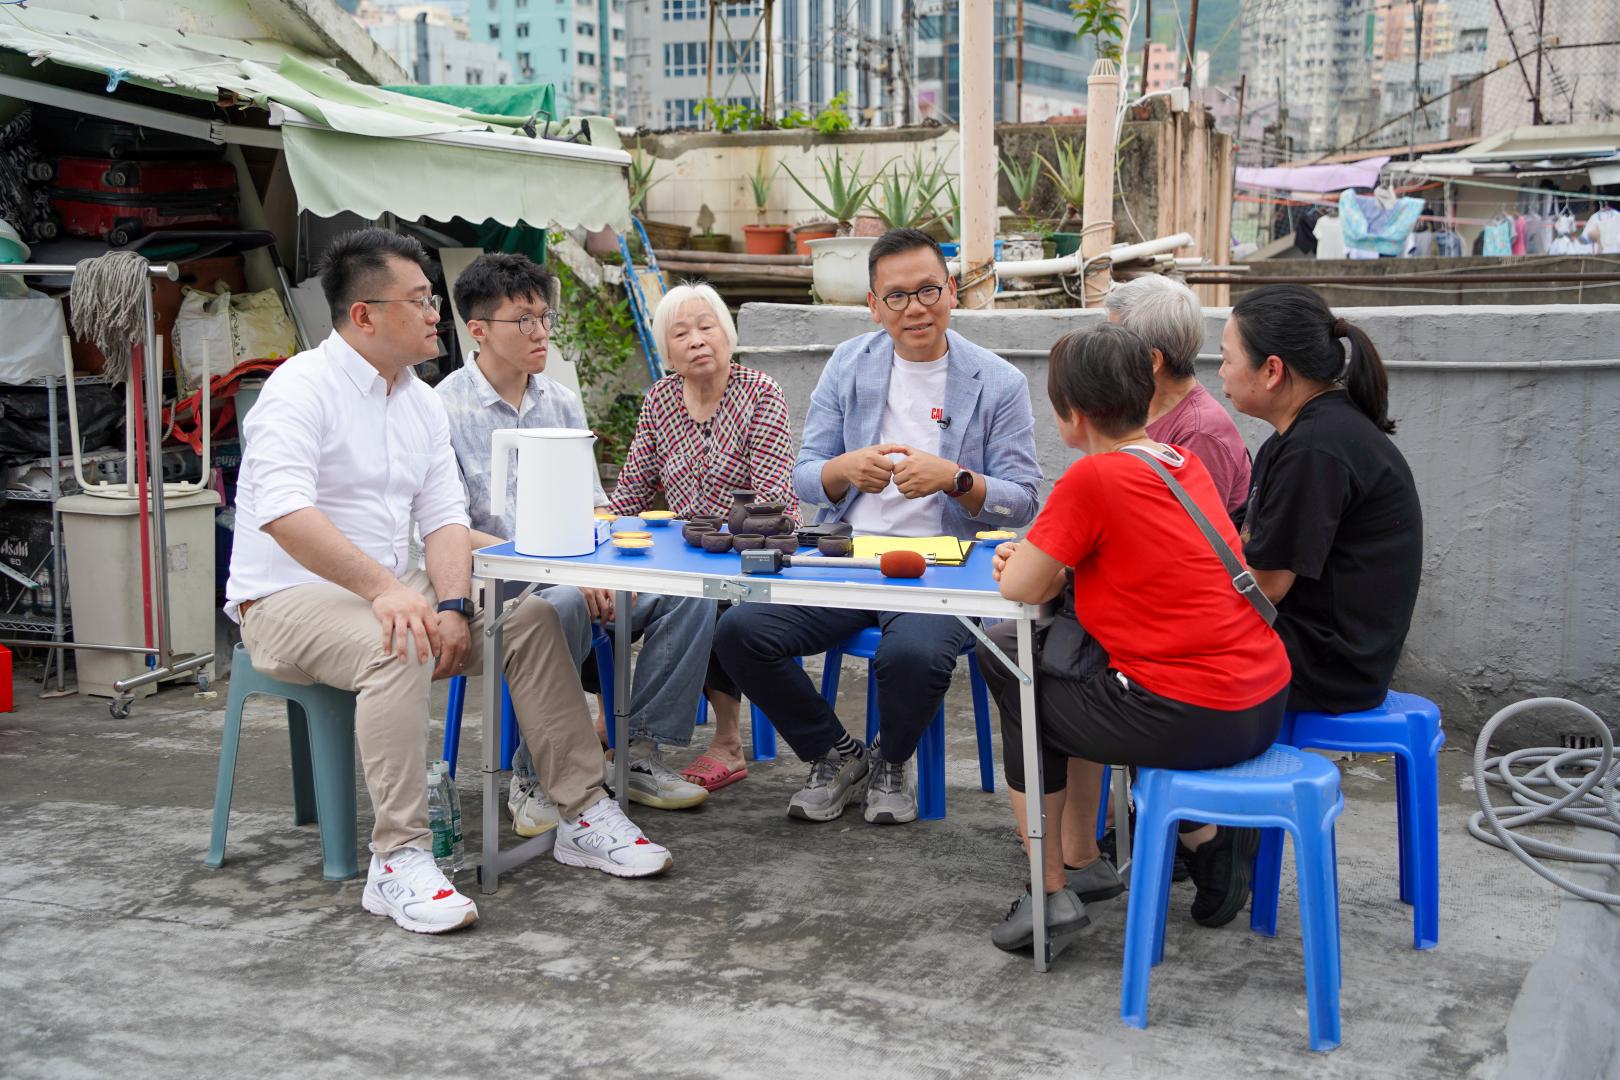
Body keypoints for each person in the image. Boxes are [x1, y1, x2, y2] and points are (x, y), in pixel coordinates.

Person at [226, 230, 672, 936]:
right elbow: (283, 512)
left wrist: (458, 606)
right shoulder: (300, 388)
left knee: (528, 619)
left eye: (433, 298)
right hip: (284, 599)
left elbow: (443, 521)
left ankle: (581, 812)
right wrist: (386, 590)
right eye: (418, 300)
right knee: (397, 636)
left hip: (392, 585)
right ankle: (397, 857)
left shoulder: (418, 401)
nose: (434, 313)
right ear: (364, 315)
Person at [976, 323, 1291, 957]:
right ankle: (1174, 844)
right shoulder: (1182, 462)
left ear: (1072, 415)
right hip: (1261, 702)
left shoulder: (1091, 480)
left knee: (1012, 665)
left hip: (1187, 715)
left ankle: (1050, 888)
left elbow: (1025, 587)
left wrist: (1023, 562)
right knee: (1068, 670)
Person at [714, 227, 1041, 826]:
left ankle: (893, 760)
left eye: (928, 290)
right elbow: (805, 475)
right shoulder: (849, 363)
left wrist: (955, 479)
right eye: (896, 296)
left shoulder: (998, 382)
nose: (915, 308)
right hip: (848, 557)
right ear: (872, 305)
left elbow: (1024, 502)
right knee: (739, 630)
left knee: (912, 655)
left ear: (952, 293)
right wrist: (844, 469)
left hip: (941, 568)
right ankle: (835, 755)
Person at [436, 253, 711, 826]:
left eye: (544, 317)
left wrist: (603, 562)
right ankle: (535, 777)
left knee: (691, 590)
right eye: (524, 320)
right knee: (556, 602)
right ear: (478, 329)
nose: (540, 332)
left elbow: (593, 503)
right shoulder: (442, 408)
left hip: (576, 568)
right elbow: (448, 530)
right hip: (499, 579)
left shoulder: (558, 399)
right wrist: (557, 568)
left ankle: (633, 751)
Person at [608, 281, 798, 792]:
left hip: (754, 549)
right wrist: (604, 534)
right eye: (681, 332)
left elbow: (773, 498)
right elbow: (632, 490)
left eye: (706, 326)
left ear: (727, 332)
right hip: (681, 551)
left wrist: (718, 539)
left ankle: (728, 741)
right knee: (605, 604)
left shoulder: (760, 392)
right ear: (666, 350)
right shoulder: (660, 400)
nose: (696, 340)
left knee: (716, 602)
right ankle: (621, 728)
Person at [1217, 284, 1423, 715]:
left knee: (1149, 664)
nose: (1221, 372)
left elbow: (1265, 586)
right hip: (1312, 645)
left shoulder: (1316, 447)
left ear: (1272, 370)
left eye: (1227, 358)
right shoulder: (1298, 436)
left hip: (1328, 669)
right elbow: (1239, 539)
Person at [1104, 274, 1251, 521]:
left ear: (1152, 361)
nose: (1104, 355)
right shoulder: (1137, 408)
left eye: (1112, 345)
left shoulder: (1200, 433)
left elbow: (1184, 540)